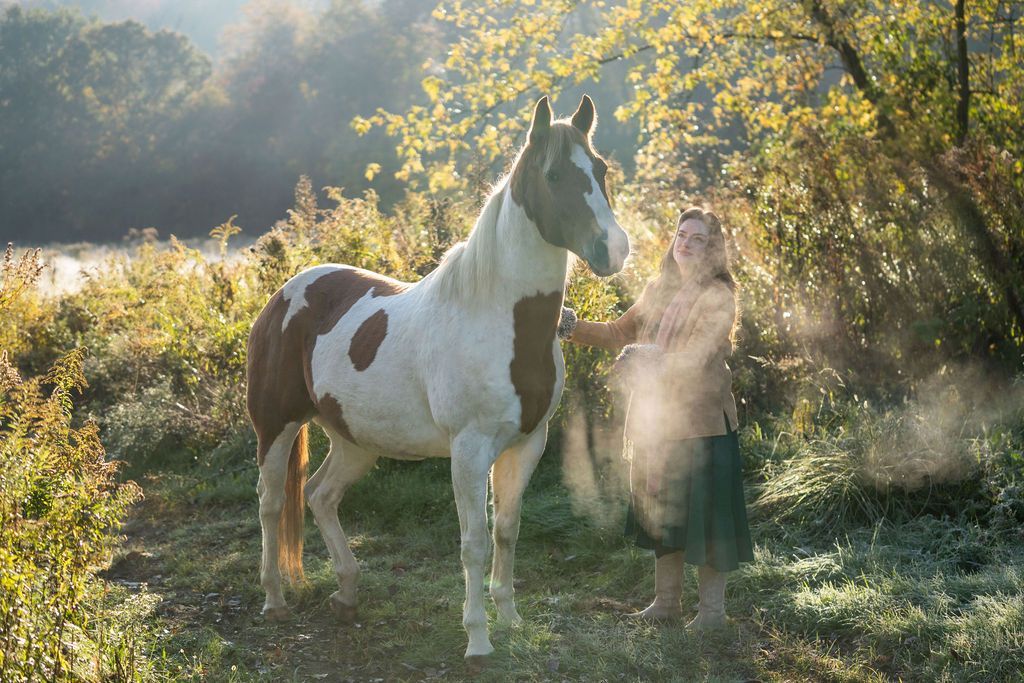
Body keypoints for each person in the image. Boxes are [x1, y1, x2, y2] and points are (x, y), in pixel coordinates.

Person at [559, 206, 754, 629]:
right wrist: (568, 325)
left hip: (703, 426)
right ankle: (666, 604)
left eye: (697, 238)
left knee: (706, 522)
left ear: (713, 249)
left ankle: (712, 614)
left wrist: (651, 359)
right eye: (681, 234)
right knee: (666, 515)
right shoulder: (657, 290)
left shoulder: (719, 296)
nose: (685, 243)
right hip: (658, 425)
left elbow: (698, 359)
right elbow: (617, 334)